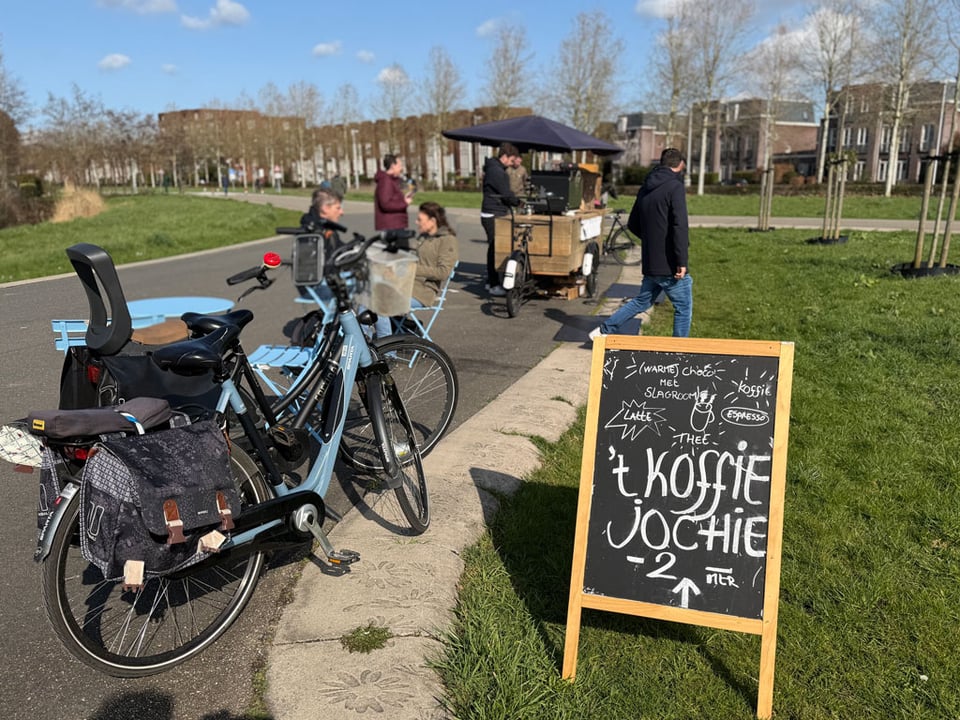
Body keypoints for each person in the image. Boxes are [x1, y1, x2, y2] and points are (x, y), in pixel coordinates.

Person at [588, 147, 692, 339]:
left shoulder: (646, 187)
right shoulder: (675, 187)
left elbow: (633, 224)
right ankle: (680, 352)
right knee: (683, 307)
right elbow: (679, 226)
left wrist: (652, 241)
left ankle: (603, 331)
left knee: (642, 301)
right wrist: (682, 261)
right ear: (680, 165)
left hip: (651, 259)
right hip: (669, 262)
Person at [373, 201, 458, 338]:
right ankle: (362, 347)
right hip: (406, 286)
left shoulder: (447, 240)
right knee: (365, 300)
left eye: (420, 219)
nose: (416, 222)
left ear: (433, 221)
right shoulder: (424, 237)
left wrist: (412, 268)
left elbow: (443, 272)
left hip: (423, 292)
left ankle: (387, 351)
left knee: (380, 305)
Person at [480, 143, 521, 297]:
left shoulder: (493, 169)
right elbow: (506, 194)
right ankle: (493, 284)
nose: (511, 165)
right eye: (511, 161)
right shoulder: (497, 172)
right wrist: (518, 202)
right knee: (495, 249)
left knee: (493, 248)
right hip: (493, 213)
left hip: (490, 212)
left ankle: (490, 281)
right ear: (504, 157)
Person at [374, 154, 412, 230]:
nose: (401, 168)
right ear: (392, 166)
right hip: (391, 226)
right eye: (400, 165)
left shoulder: (393, 180)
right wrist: (404, 203)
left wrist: (404, 198)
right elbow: (385, 204)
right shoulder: (385, 181)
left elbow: (393, 198)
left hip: (396, 224)